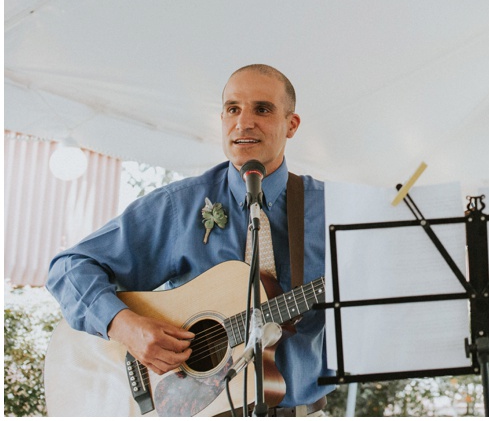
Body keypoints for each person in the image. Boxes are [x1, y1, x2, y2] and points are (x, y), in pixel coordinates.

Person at [47, 64, 334, 416]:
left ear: (291, 124)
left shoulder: (332, 209)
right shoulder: (178, 206)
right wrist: (125, 326)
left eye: (262, 109)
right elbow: (69, 268)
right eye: (233, 109)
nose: (244, 122)